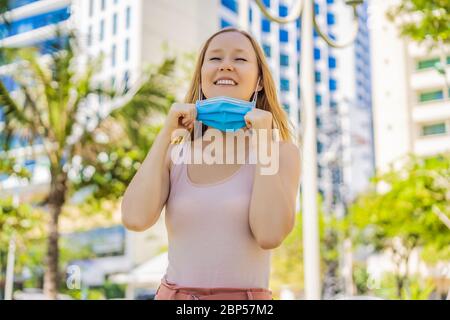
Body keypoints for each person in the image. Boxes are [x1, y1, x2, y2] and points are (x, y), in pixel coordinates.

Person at [121, 27, 301, 300]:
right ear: (202, 75)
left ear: (260, 81)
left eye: (240, 59)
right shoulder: (176, 153)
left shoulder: (281, 152)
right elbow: (134, 219)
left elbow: (269, 233)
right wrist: (166, 136)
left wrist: (263, 141)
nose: (226, 66)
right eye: (215, 59)